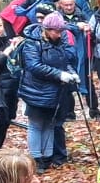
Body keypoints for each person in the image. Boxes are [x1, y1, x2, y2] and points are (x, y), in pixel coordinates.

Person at [17, 9, 83, 169]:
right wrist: (59, 74)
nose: (59, 35)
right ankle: (36, 158)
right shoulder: (32, 42)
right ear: (47, 29)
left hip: (55, 91)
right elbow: (34, 66)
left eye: (61, 31)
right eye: (56, 31)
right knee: (36, 124)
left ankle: (47, 157)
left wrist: (72, 73)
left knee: (50, 123)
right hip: (36, 90)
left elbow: (65, 61)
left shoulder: (59, 42)